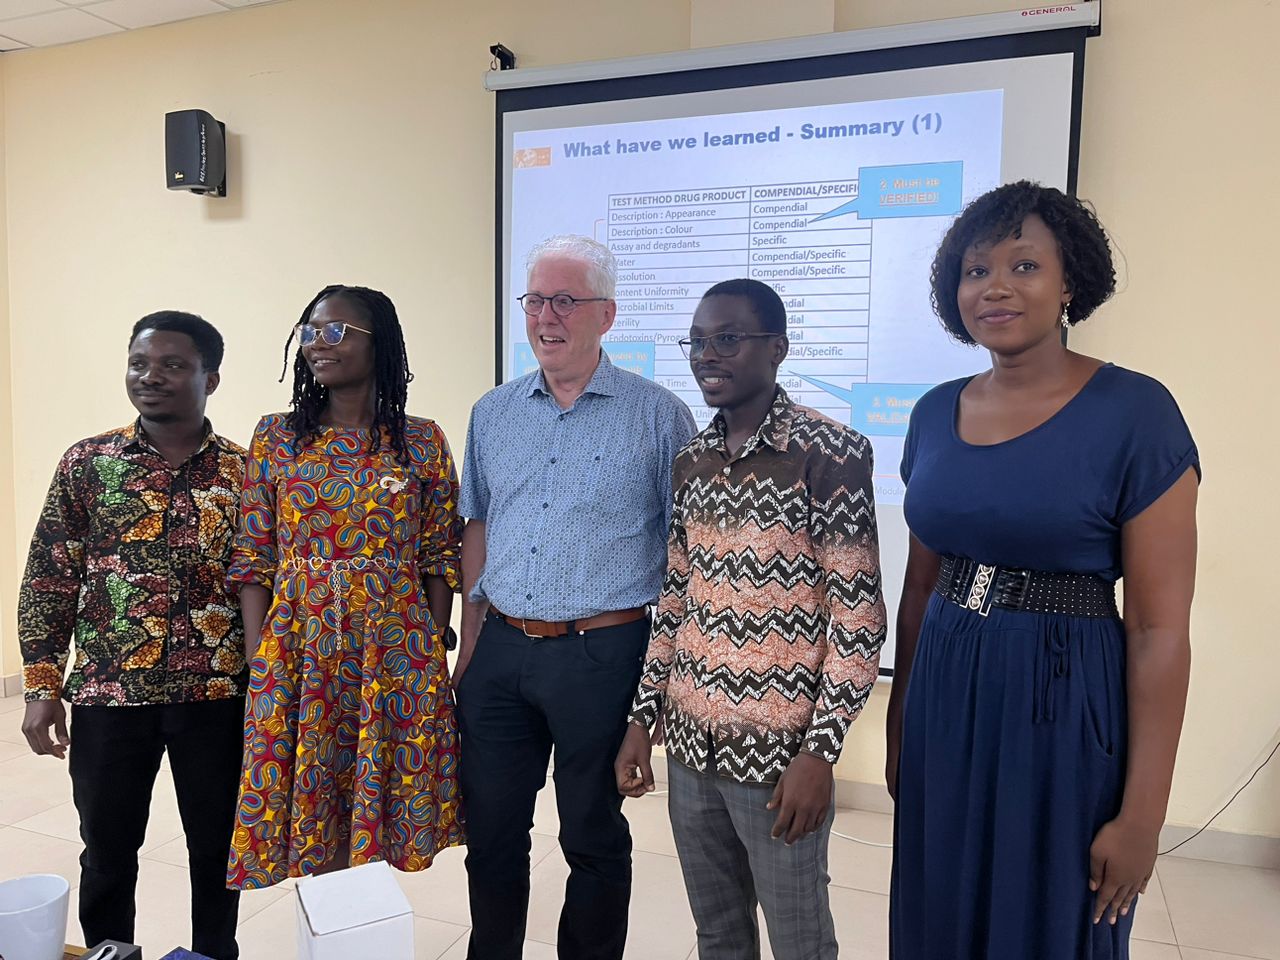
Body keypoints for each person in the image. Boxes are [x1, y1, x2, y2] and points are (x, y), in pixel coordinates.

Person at [886, 181, 1200, 959]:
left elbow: (1160, 631)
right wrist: (899, 725)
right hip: (947, 693)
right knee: (942, 907)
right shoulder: (932, 413)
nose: (994, 286)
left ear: (1070, 283)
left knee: (1054, 914)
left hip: (1065, 702)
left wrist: (1144, 816)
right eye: (974, 269)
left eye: (1024, 266)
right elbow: (921, 585)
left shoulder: (1136, 412)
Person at [615, 279, 887, 960]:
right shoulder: (691, 461)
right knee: (718, 934)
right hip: (690, 747)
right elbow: (675, 601)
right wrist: (642, 720)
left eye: (728, 339)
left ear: (777, 348)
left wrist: (821, 753)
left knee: (799, 941)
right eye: (699, 342)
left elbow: (858, 619)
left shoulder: (830, 454)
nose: (709, 355)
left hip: (778, 760)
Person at [455, 235, 697, 960]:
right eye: (535, 300)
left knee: (591, 835)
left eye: (565, 300)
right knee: (492, 832)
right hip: (499, 651)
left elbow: (685, 556)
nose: (546, 317)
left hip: (603, 651)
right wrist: (468, 653)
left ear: (607, 315)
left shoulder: (659, 417)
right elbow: (479, 526)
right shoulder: (492, 412)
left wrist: (655, 696)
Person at [18, 312, 247, 959]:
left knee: (217, 849)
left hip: (219, 699)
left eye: (173, 365)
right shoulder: (87, 463)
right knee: (110, 850)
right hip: (109, 697)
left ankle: (212, 954)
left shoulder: (246, 476)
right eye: (140, 363)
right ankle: (109, 953)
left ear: (211, 377)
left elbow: (271, 591)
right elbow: (49, 577)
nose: (152, 378)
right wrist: (41, 685)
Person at [224, 285, 463, 890]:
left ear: (376, 341)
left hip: (395, 650)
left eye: (334, 331)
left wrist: (431, 645)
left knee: (383, 803)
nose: (316, 345)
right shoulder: (277, 436)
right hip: (299, 647)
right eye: (309, 331)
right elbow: (254, 554)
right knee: (311, 803)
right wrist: (261, 655)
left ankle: (364, 931)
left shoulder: (422, 440)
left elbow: (439, 552)